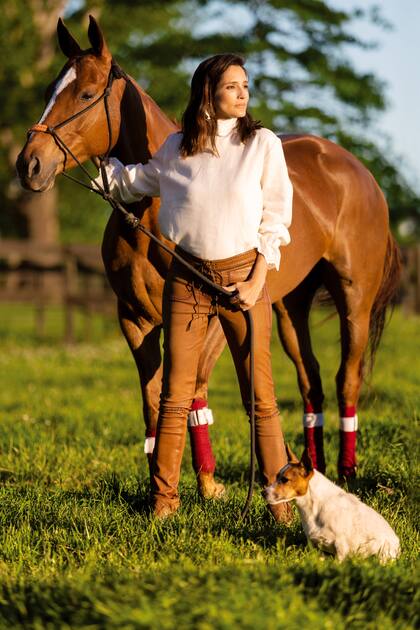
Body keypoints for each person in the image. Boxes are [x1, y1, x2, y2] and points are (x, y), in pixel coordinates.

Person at [96, 53, 293, 521]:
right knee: (175, 396)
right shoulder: (176, 148)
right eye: (232, 86)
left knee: (260, 397)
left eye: (245, 85)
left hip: (243, 279)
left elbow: (276, 215)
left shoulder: (262, 144)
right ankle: (163, 502)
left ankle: (279, 503)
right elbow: (133, 182)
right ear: (208, 93)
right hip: (186, 280)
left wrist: (257, 279)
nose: (243, 93)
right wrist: (96, 163)